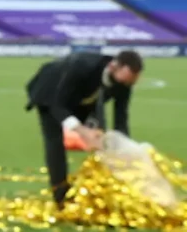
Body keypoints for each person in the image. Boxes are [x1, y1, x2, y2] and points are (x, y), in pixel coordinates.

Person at [24, 49, 143, 207]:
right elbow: (58, 106)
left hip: (85, 99)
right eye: (127, 80)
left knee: (100, 139)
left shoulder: (124, 82)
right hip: (51, 93)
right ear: (115, 66)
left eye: (131, 81)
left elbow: (120, 117)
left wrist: (124, 147)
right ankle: (61, 197)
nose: (127, 85)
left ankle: (101, 191)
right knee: (55, 141)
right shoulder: (82, 66)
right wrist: (83, 131)